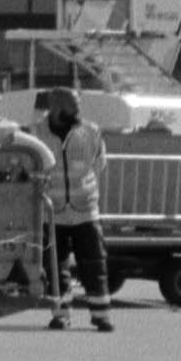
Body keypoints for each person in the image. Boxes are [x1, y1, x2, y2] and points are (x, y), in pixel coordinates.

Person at [38, 87, 112, 331]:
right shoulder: (37, 132)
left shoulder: (91, 131)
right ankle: (61, 315)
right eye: (73, 105)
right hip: (53, 213)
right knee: (55, 269)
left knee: (94, 264)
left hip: (85, 210)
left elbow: (99, 163)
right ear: (56, 108)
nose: (78, 109)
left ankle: (101, 315)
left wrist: (84, 189)